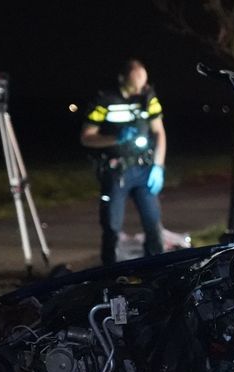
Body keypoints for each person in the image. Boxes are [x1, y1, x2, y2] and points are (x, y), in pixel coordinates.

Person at [80, 59, 167, 266]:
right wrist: (116, 138)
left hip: (144, 169)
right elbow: (86, 137)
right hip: (116, 171)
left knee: (153, 223)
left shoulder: (148, 98)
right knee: (111, 227)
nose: (139, 89)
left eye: (143, 83)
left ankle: (156, 269)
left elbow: (159, 132)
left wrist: (158, 166)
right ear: (122, 79)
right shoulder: (105, 100)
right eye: (135, 83)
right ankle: (109, 272)